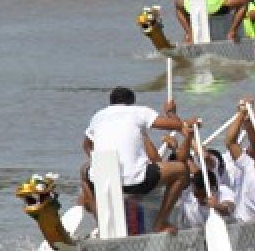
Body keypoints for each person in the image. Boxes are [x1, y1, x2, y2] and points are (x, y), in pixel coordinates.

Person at [80, 87, 190, 234]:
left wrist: (96, 164)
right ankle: (161, 223)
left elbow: (86, 145)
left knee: (84, 171)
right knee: (181, 171)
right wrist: (170, 112)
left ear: (111, 103)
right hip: (136, 182)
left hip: (102, 181)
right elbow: (177, 126)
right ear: (132, 102)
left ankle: (101, 225)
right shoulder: (139, 111)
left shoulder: (98, 116)